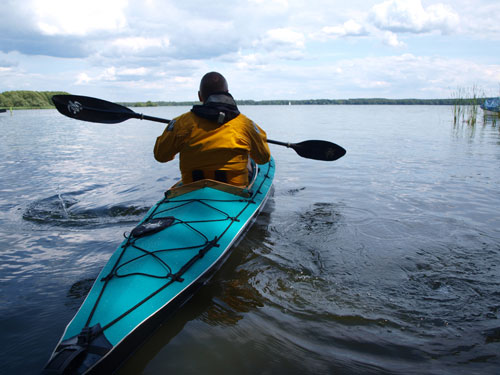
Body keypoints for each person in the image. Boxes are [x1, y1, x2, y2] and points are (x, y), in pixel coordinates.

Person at [154, 72, 271, 187]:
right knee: (250, 160)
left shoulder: (180, 123)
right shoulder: (246, 124)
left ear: (200, 96)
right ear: (227, 93)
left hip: (192, 190)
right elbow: (263, 158)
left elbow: (160, 156)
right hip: (234, 192)